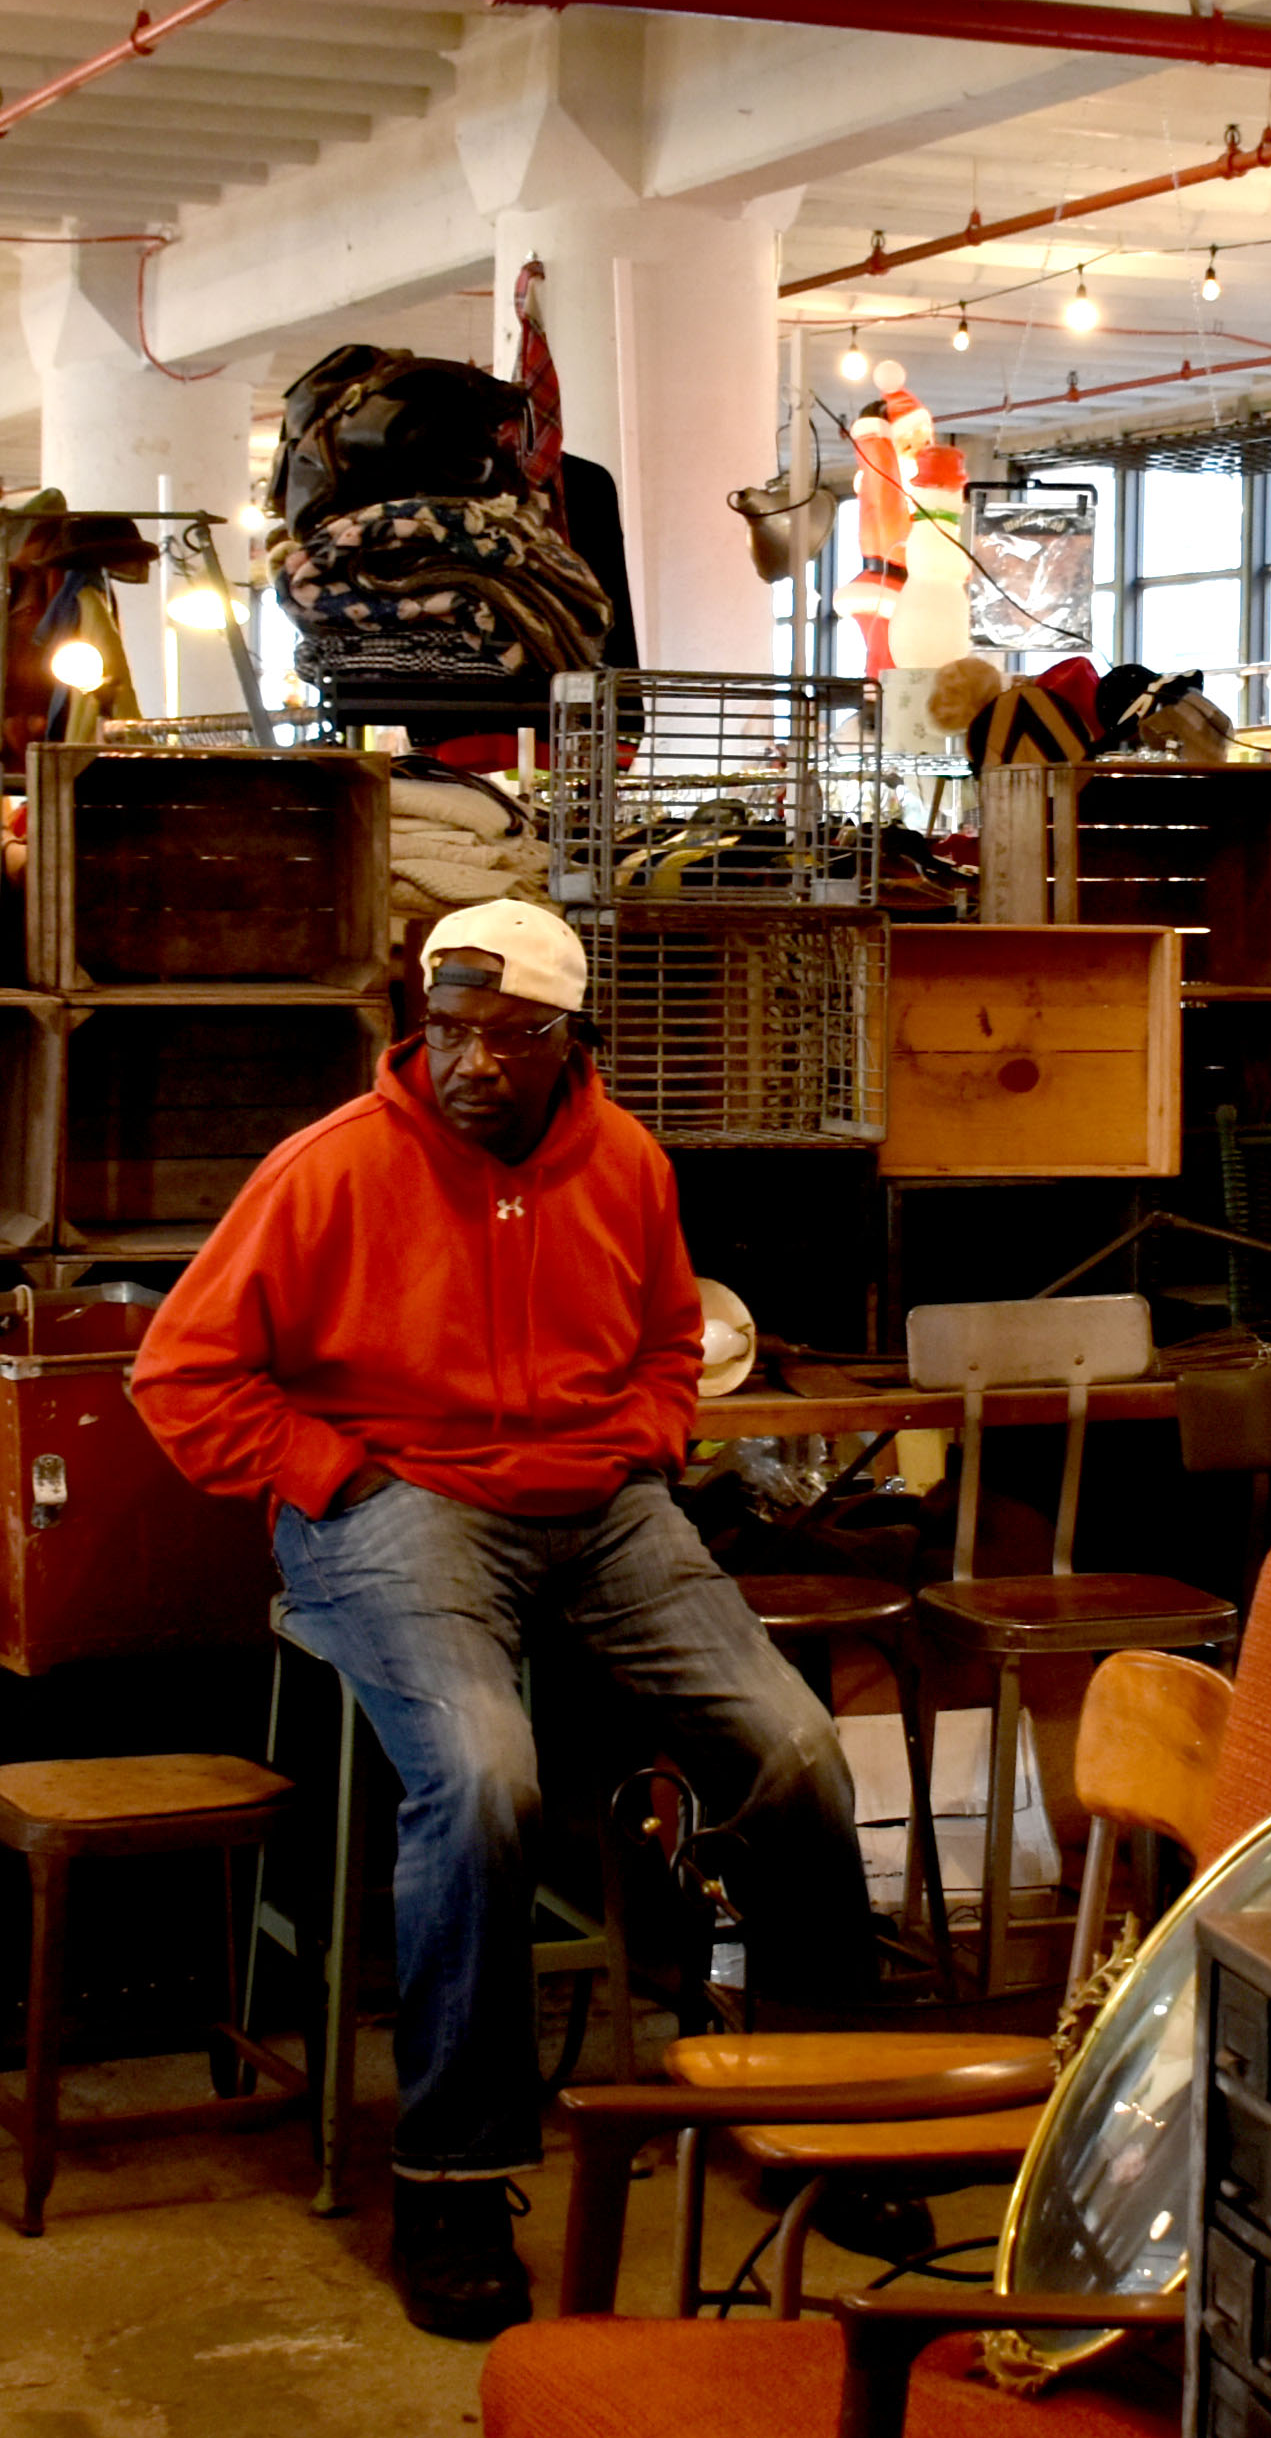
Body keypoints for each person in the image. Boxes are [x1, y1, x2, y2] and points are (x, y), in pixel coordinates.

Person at [128, 896, 882, 2340]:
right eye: (449, 1031)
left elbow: (672, 1339)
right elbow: (181, 1376)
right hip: (400, 1499)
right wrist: (334, 1475)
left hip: (602, 1506)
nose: (471, 1062)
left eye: (508, 1036)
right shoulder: (328, 1167)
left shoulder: (629, 1163)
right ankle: (454, 2182)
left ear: (568, 1040)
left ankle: (839, 2118)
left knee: (796, 1750)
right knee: (482, 1777)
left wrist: (647, 1439)